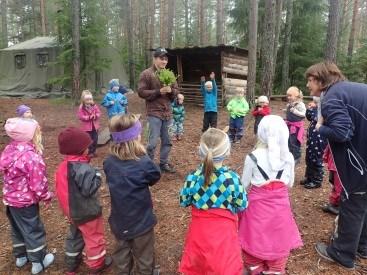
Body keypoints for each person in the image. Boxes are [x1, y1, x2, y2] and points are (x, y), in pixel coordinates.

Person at [306, 62, 367, 270]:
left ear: (321, 80)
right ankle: (362, 246)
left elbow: (342, 132)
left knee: (354, 199)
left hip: (361, 158)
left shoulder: (332, 97)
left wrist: (320, 127)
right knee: (364, 198)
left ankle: (342, 253)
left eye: (310, 80)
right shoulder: (347, 90)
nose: (308, 85)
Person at [238, 115, 303, 275]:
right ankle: (275, 269)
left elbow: (244, 185)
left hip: (257, 207)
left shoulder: (253, 157)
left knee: (255, 236)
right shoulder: (288, 156)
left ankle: (254, 266)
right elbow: (290, 183)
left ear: (261, 133)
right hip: (280, 207)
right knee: (278, 237)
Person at [179, 128, 248, 275]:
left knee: (199, 264)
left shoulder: (193, 177)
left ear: (200, 151)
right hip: (224, 233)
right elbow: (242, 204)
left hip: (199, 231)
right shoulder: (231, 179)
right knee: (224, 265)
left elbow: (183, 201)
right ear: (227, 152)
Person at [103, 114, 161, 274]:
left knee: (121, 255)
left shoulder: (108, 162)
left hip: (119, 220)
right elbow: (155, 175)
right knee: (145, 256)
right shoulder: (143, 162)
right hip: (142, 222)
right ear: (136, 137)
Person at [0, 118, 54, 274]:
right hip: (25, 203)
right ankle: (38, 261)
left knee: (17, 228)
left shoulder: (9, 149)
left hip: (10, 201)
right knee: (33, 229)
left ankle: (21, 256)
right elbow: (38, 184)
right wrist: (46, 195)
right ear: (29, 135)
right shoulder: (31, 157)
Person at [56, 127, 112, 275]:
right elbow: (90, 188)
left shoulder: (62, 166)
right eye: (88, 146)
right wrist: (98, 175)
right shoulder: (83, 168)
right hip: (87, 212)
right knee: (94, 237)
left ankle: (71, 263)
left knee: (75, 236)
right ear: (81, 149)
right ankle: (97, 263)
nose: (90, 148)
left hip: (71, 212)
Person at [138, 47, 178, 173]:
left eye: (166, 59)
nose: (164, 61)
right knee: (152, 143)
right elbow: (141, 92)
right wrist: (158, 91)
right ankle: (149, 165)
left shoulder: (170, 74)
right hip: (153, 113)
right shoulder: (147, 74)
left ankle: (163, 163)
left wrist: (172, 91)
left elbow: (177, 91)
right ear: (154, 59)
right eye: (161, 58)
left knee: (168, 141)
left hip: (168, 113)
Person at [300, 97, 327, 189]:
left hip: (319, 140)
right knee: (309, 158)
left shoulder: (323, 110)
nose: (313, 103)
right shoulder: (316, 109)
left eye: (316, 102)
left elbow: (314, 118)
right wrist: (309, 109)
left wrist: (313, 109)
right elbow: (308, 117)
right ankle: (309, 178)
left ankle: (317, 180)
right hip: (312, 139)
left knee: (317, 159)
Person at [284, 86, 306, 164]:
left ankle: (297, 156)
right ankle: (290, 155)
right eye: (287, 95)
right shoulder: (290, 104)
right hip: (289, 125)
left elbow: (304, 114)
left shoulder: (300, 104)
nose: (288, 97)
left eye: (290, 95)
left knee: (294, 142)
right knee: (288, 140)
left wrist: (295, 111)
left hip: (296, 127)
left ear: (296, 96)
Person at [77, 90, 101, 157]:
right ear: (83, 100)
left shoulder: (94, 106)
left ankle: (94, 151)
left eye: (90, 99)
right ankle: (90, 152)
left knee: (95, 139)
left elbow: (98, 112)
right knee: (89, 140)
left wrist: (96, 116)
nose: (89, 101)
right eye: (87, 99)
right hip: (87, 128)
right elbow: (81, 116)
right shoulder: (81, 108)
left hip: (95, 127)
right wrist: (89, 117)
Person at [322, 144, 342, 215]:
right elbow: (330, 144)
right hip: (334, 163)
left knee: (339, 186)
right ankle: (335, 203)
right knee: (335, 184)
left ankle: (338, 206)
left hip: (339, 165)